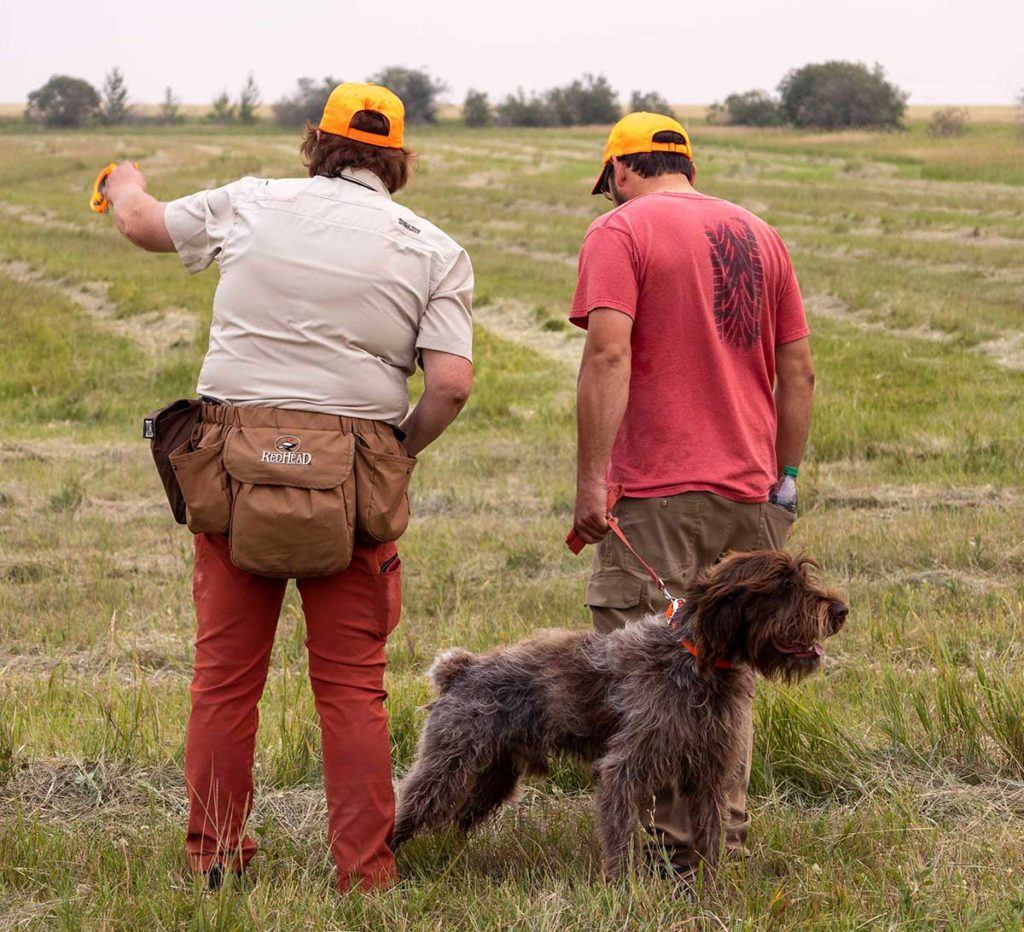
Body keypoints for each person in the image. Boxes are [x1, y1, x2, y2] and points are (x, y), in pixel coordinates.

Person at [102, 82, 474, 892]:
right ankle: (365, 875)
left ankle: (217, 864)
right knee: (350, 692)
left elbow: (141, 224)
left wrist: (121, 182)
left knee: (225, 681)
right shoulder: (433, 247)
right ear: (398, 160)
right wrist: (396, 453)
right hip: (354, 483)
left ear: (318, 141)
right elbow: (449, 384)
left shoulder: (251, 202)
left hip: (234, 472)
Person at [569, 111, 814, 875]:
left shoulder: (622, 232)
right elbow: (798, 371)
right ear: (688, 166)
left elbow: (609, 353)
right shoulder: (760, 233)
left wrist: (592, 481)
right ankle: (713, 849)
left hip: (656, 493)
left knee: (642, 673)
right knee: (726, 676)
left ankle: (654, 853)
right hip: (751, 493)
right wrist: (784, 481)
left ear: (618, 171)